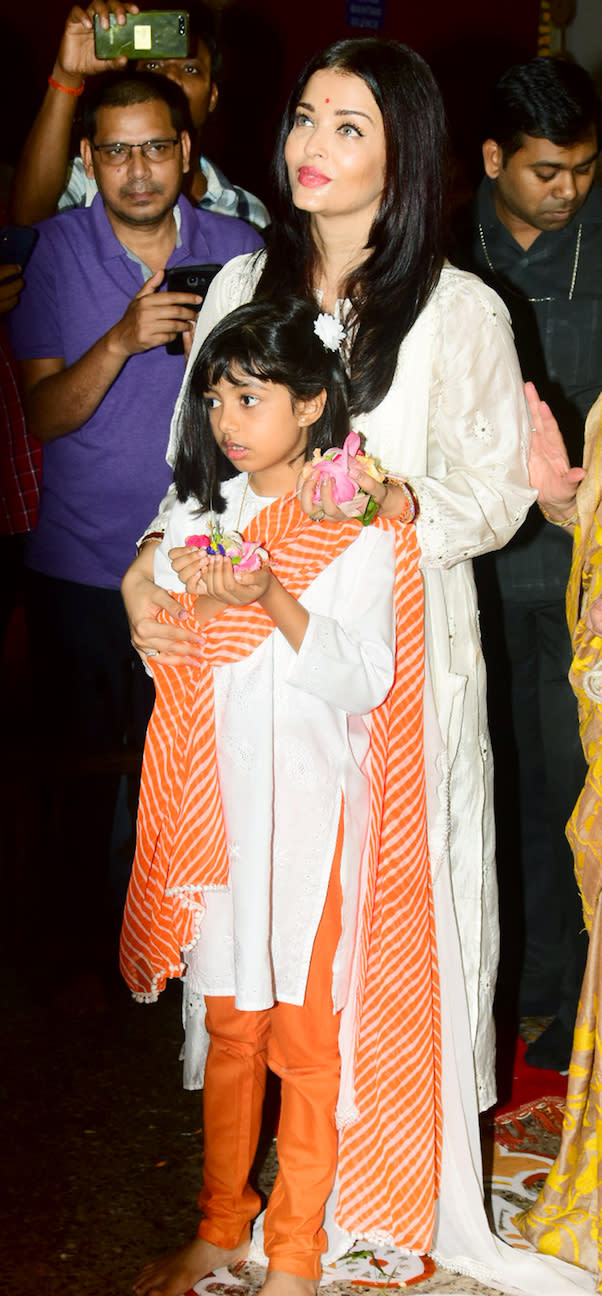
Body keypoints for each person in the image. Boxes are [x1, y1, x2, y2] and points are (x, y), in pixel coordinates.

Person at [121, 294, 439, 1296]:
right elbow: (174, 636)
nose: (224, 419)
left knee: (302, 1042)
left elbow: (361, 678)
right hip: (217, 815)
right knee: (229, 1029)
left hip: (309, 816)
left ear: (309, 406)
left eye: (248, 397)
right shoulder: (203, 514)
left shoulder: (351, 522)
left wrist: (269, 596)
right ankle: (221, 1227)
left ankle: (294, 1250)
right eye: (215, 396)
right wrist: (163, 603)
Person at [7, 70, 262, 989]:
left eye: (157, 146)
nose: (139, 169)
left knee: (197, 775)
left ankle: (189, 958)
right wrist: (120, 337)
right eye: (115, 151)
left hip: (207, 561)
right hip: (79, 562)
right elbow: (40, 417)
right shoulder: (52, 252)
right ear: (88, 160)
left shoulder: (241, 248)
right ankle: (81, 970)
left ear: (187, 153)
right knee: (79, 779)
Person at [451, 57, 601, 1070]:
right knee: (476, 783)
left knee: (565, 785)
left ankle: (556, 997)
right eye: (547, 171)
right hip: (467, 566)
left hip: (578, 566)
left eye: (584, 170)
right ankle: (484, 994)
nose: (568, 190)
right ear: (492, 158)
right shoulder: (437, 244)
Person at [10, 0, 269, 230]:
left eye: (190, 69)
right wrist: (67, 75)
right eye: (153, 65)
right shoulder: (92, 178)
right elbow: (27, 224)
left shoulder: (246, 214)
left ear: (212, 96)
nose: (171, 78)